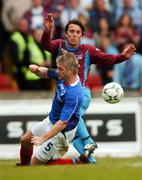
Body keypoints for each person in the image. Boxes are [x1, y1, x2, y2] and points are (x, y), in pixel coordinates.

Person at [41, 13, 136, 163]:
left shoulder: (88, 50)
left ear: (82, 35)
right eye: (71, 31)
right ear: (66, 34)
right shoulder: (59, 45)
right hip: (63, 94)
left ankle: (89, 142)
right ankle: (90, 160)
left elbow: (107, 58)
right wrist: (47, 31)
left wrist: (122, 56)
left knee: (71, 120)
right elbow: (45, 45)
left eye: (78, 32)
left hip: (81, 93)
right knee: (73, 131)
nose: (74, 34)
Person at [19, 50, 84, 165]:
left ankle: (77, 161)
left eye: (60, 68)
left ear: (69, 71)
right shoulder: (63, 75)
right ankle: (23, 167)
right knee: (25, 141)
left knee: (36, 165)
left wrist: (43, 138)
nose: (57, 71)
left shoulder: (75, 94)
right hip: (51, 120)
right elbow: (46, 72)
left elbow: (63, 122)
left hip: (61, 132)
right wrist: (37, 70)